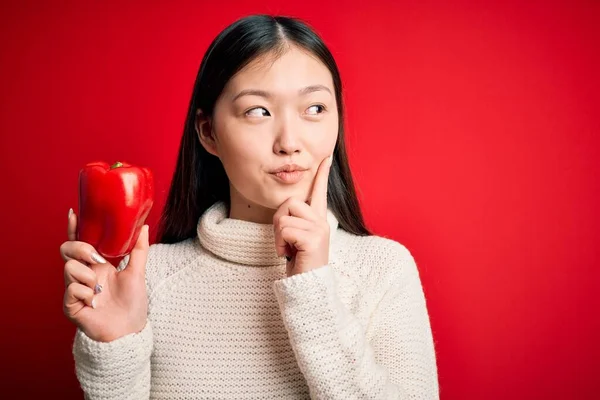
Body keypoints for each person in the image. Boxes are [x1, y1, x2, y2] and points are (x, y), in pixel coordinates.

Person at [59, 14, 439, 399]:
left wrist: (315, 295)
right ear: (208, 132)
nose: (289, 142)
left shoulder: (383, 269)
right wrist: (115, 346)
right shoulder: (145, 279)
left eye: (315, 108)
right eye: (258, 111)